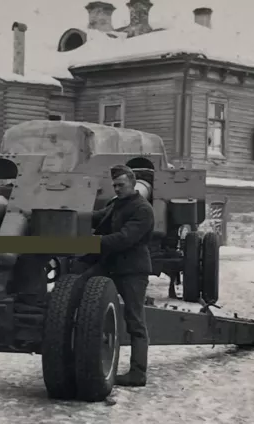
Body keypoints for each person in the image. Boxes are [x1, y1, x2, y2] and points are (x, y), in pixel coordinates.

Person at [76, 164, 155, 387]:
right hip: (110, 265)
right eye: (115, 185)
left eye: (121, 185)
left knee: (135, 321)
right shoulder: (116, 204)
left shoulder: (143, 209)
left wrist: (93, 243)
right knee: (78, 288)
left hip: (132, 270)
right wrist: (72, 214)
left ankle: (138, 373)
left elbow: (124, 238)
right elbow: (98, 217)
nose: (117, 189)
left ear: (132, 183)